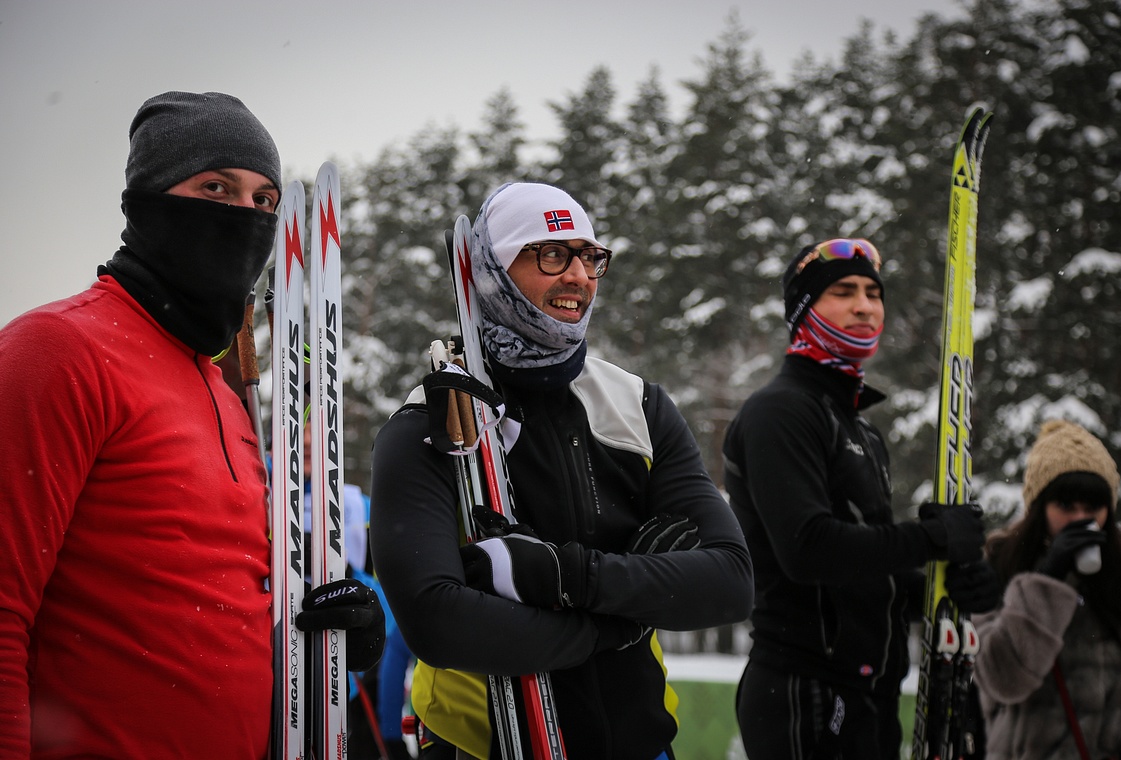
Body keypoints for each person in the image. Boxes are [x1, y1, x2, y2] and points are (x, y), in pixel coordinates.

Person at [0, 91, 384, 758]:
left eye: (264, 201)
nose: (246, 216)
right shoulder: (59, 351)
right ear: (147, 202)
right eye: (216, 187)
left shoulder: (218, 388)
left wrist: (328, 624)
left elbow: (214, 594)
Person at [370, 181, 753, 760]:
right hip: (482, 744)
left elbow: (730, 583)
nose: (578, 275)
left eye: (590, 257)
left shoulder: (638, 407)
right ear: (494, 270)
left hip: (640, 743)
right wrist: (622, 618)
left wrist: (567, 577)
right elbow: (436, 621)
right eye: (551, 254)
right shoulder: (432, 420)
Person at [722, 238, 996, 760]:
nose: (864, 306)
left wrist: (944, 587)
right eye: (843, 292)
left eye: (874, 293)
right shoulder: (780, 413)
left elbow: (863, 573)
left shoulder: (862, 432)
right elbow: (808, 551)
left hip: (869, 692)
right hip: (806, 692)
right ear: (804, 310)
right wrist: (932, 538)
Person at [973, 419, 1121, 760]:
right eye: (1066, 506)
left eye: (1093, 507)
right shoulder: (1002, 566)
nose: (1081, 518)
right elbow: (1003, 679)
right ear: (1038, 507)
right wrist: (1047, 580)